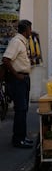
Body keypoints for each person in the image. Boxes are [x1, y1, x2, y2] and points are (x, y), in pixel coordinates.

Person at [2, 20, 33, 148]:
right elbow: (6, 59)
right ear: (25, 30)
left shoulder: (22, 42)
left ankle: (22, 136)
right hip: (18, 80)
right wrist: (16, 75)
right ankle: (18, 139)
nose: (31, 31)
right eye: (30, 29)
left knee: (23, 109)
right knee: (20, 109)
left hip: (24, 79)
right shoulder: (16, 42)